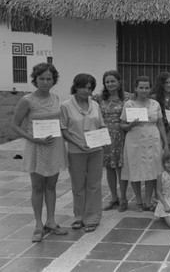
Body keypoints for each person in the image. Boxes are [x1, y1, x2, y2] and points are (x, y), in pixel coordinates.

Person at [11, 63, 68, 242]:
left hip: (54, 146)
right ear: (35, 79)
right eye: (41, 78)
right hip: (36, 146)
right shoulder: (27, 100)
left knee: (51, 186)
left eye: (48, 79)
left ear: (54, 80)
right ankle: (38, 223)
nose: (45, 82)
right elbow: (15, 125)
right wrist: (33, 138)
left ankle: (51, 221)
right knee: (38, 187)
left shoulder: (56, 97)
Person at [61, 73, 105, 233]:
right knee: (78, 185)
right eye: (83, 87)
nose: (86, 90)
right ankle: (79, 216)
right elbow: (64, 130)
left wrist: (103, 138)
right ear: (76, 86)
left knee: (94, 184)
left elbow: (101, 125)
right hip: (76, 151)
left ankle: (92, 217)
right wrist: (78, 143)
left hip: (96, 150)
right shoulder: (66, 106)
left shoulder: (95, 105)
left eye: (89, 88)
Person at [120, 76, 169, 212]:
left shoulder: (155, 104)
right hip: (134, 139)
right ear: (135, 88)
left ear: (150, 89)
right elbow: (122, 124)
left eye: (146, 87)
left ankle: (148, 200)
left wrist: (166, 143)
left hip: (152, 138)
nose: (144, 90)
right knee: (135, 169)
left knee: (152, 169)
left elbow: (160, 123)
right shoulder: (129, 104)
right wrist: (130, 125)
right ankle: (139, 200)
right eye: (141, 87)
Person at [92, 70, 131, 212]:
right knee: (109, 167)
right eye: (107, 82)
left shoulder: (128, 98)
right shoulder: (98, 99)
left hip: (122, 134)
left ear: (119, 82)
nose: (110, 84)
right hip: (104, 135)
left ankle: (124, 197)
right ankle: (113, 197)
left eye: (113, 81)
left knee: (121, 167)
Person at [152, 71, 170, 152]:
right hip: (159, 131)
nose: (169, 85)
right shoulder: (154, 98)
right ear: (161, 84)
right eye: (166, 83)